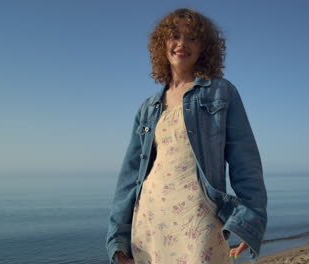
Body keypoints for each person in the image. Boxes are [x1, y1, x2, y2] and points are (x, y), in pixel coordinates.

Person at [106, 8, 267, 264]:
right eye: (175, 36)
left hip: (199, 218)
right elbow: (130, 174)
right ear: (162, 44)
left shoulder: (221, 93)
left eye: (192, 37)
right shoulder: (149, 107)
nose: (182, 44)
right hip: (151, 218)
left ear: (205, 47)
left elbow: (245, 161)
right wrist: (118, 237)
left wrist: (251, 220)